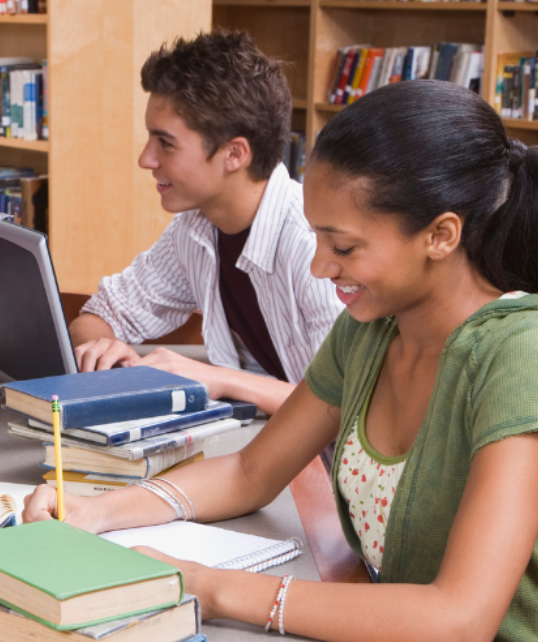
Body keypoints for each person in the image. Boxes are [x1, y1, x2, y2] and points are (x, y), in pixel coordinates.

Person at [24, 79, 538, 642]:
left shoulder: (529, 353)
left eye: (342, 245)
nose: (319, 266)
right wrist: (96, 514)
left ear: (441, 235)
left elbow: (458, 623)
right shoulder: (374, 325)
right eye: (317, 237)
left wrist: (215, 589)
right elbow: (254, 471)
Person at [70, 30, 341, 414]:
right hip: (259, 442)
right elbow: (100, 314)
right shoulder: (195, 228)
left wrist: (220, 379)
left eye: (165, 143)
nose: (146, 159)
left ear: (234, 154)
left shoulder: (313, 246)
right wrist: (102, 347)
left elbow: (343, 406)